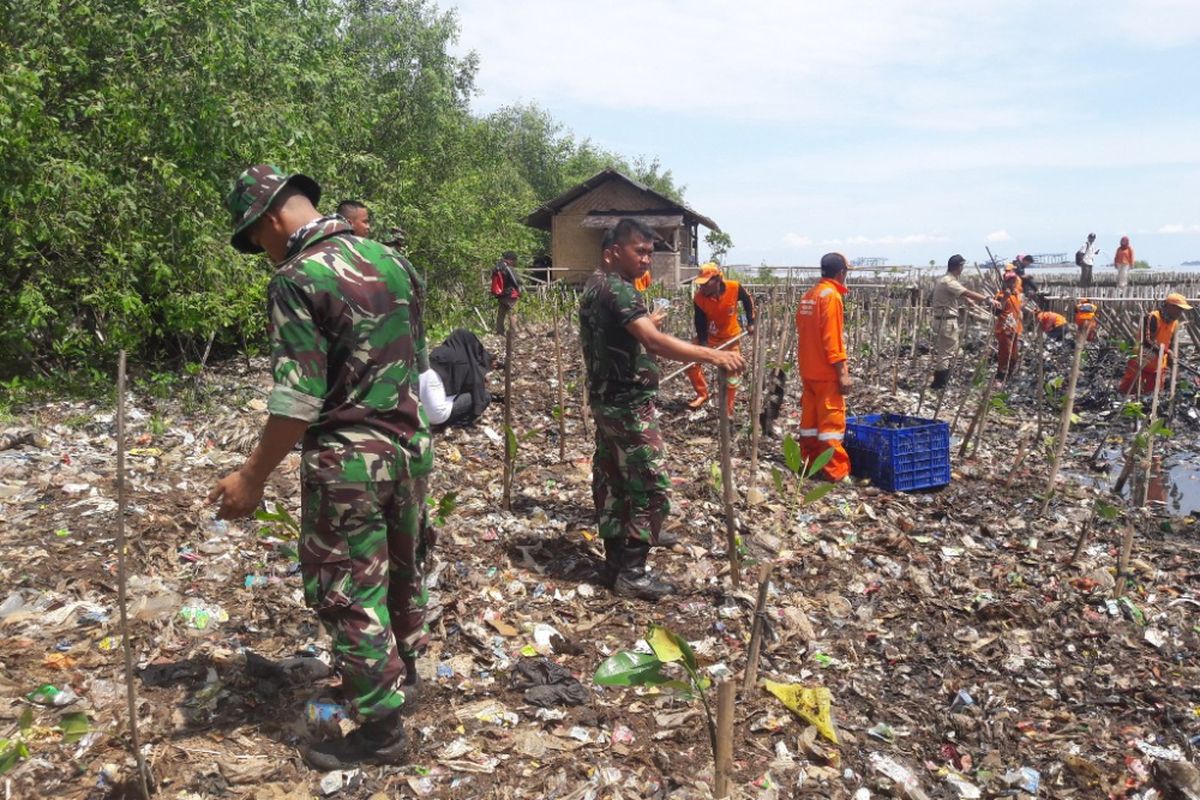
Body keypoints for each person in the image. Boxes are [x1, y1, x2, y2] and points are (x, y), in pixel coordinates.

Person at [209, 165, 432, 770]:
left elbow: (298, 397)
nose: (261, 250)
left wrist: (252, 475)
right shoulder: (392, 260)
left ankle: (381, 732)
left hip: (349, 462)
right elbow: (416, 359)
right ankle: (402, 679)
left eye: (257, 238)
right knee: (402, 569)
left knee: (350, 588)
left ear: (272, 217)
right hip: (410, 449)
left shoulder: (297, 277)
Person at [580, 218, 744, 601]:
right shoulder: (620, 290)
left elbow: (621, 333)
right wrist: (713, 355)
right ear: (613, 251)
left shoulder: (595, 286)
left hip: (607, 399)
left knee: (614, 481)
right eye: (639, 251)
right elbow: (654, 344)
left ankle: (616, 563)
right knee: (651, 485)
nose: (646, 260)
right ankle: (632, 574)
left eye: (650, 253)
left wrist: (644, 326)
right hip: (627, 404)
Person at [796, 252, 853, 482]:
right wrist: (842, 373)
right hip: (826, 373)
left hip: (808, 370)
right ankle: (836, 473)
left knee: (810, 422)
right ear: (842, 273)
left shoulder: (810, 294)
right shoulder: (831, 296)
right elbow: (833, 339)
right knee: (831, 426)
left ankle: (808, 463)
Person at [685, 263, 755, 413]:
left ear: (717, 280)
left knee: (732, 370)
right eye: (700, 284)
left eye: (705, 283)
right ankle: (702, 393)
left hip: (730, 336)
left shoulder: (734, 287)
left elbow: (748, 301)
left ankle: (728, 406)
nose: (702, 288)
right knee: (689, 361)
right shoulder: (699, 298)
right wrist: (703, 345)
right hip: (711, 336)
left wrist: (751, 322)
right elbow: (700, 322)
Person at [929, 254, 988, 390]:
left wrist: (967, 301)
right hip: (947, 322)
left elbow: (956, 295)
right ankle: (939, 384)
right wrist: (987, 300)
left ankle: (942, 382)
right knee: (947, 354)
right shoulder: (949, 281)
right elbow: (966, 292)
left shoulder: (944, 280)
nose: (962, 269)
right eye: (962, 266)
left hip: (943, 321)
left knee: (951, 352)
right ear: (958, 267)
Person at [1117, 293, 1192, 396]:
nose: (1180, 312)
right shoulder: (1152, 317)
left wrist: (1173, 361)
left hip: (1159, 365)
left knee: (1153, 398)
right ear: (1169, 306)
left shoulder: (1174, 323)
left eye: (1182, 310)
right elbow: (1147, 341)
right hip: (1142, 359)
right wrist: (1166, 351)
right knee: (1128, 392)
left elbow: (1172, 345)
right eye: (1179, 309)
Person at [419, 329, 494, 427]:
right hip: (439, 416)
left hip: (420, 414)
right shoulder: (462, 361)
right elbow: (475, 387)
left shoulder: (436, 353)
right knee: (485, 396)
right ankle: (460, 423)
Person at [993, 270, 1023, 383]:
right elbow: (996, 312)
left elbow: (1017, 310)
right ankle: (1000, 376)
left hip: (1015, 329)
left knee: (1014, 357)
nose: (1012, 283)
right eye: (1010, 281)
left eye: (1013, 281)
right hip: (1004, 329)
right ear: (1006, 282)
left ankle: (1009, 377)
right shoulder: (1000, 295)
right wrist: (1005, 297)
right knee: (1005, 355)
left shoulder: (1015, 295)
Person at [490, 251, 521, 334]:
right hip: (510, 294)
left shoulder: (496, 267)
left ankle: (499, 331)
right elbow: (516, 280)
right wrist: (519, 287)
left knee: (501, 313)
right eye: (514, 260)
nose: (515, 262)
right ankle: (514, 332)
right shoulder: (508, 268)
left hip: (500, 294)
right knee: (513, 313)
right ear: (511, 260)